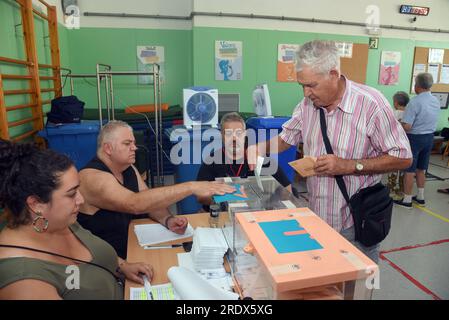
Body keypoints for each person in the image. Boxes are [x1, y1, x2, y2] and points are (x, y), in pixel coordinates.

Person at [247, 40, 412, 262]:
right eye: (302, 86)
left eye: (312, 85)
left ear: (333, 74)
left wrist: (349, 165)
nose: (306, 93)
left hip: (355, 224)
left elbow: (403, 157)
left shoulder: (371, 105)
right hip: (317, 219)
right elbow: (286, 139)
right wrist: (259, 147)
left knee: (353, 291)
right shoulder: (306, 106)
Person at [0, 140, 152, 299]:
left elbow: (94, 253)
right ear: (36, 204)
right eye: (71, 194)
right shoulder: (23, 282)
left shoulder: (57, 219)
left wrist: (122, 266)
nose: (81, 200)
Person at [77, 120, 234, 259]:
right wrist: (191, 186)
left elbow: (147, 199)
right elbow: (134, 204)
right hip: (108, 260)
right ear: (108, 148)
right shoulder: (93, 178)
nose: (134, 148)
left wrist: (167, 219)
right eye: (127, 144)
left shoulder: (127, 168)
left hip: (132, 246)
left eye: (133, 143)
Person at [196, 112, 291, 210]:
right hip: (223, 214)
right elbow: (201, 197)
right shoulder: (212, 161)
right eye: (228, 133)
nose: (234, 138)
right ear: (221, 135)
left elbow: (287, 189)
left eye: (238, 133)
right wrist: (225, 200)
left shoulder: (259, 158)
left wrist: (269, 203)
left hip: (257, 213)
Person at [394, 73, 440, 209]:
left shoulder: (415, 102)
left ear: (417, 86)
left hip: (415, 139)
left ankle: (407, 200)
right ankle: (420, 197)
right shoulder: (435, 100)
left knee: (409, 170)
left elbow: (407, 127)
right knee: (422, 169)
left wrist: (397, 123)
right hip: (429, 137)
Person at [387, 91, 410, 194]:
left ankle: (392, 190)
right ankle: (400, 189)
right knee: (402, 169)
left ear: (395, 102)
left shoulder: (393, 113)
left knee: (393, 168)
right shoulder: (408, 113)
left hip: (394, 144)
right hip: (406, 144)